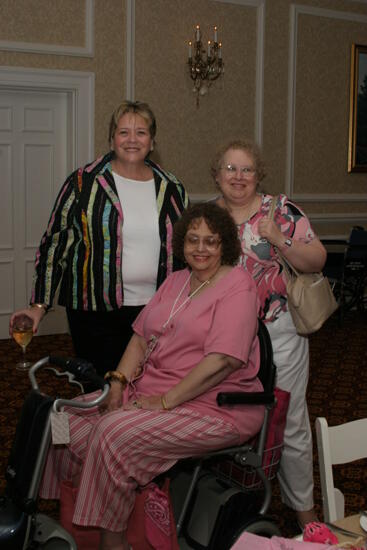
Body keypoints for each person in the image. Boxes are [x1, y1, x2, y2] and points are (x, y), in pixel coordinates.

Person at [39, 203, 265, 550]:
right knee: (62, 417)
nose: (201, 249)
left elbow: (222, 361)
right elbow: (141, 337)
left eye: (211, 241)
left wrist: (162, 402)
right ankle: (77, 517)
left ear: (226, 246)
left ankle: (114, 542)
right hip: (148, 392)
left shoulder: (238, 286)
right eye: (193, 240)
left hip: (214, 406)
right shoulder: (176, 281)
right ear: (181, 244)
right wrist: (116, 383)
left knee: (113, 434)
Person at [9, 100, 188, 376]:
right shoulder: (83, 182)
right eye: (123, 132)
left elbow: (186, 249)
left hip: (157, 310)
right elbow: (55, 245)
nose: (132, 139)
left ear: (152, 141)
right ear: (111, 138)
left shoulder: (172, 187)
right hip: (94, 313)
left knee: (148, 385)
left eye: (140, 132)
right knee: (99, 388)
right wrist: (38, 306)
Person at [211, 140, 327, 528]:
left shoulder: (280, 210)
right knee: (226, 414)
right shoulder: (209, 217)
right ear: (217, 175)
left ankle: (304, 512)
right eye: (230, 169)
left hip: (278, 332)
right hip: (224, 337)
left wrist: (279, 238)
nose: (238, 177)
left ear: (258, 174)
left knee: (289, 419)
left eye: (246, 170)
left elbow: (317, 259)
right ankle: (231, 502)